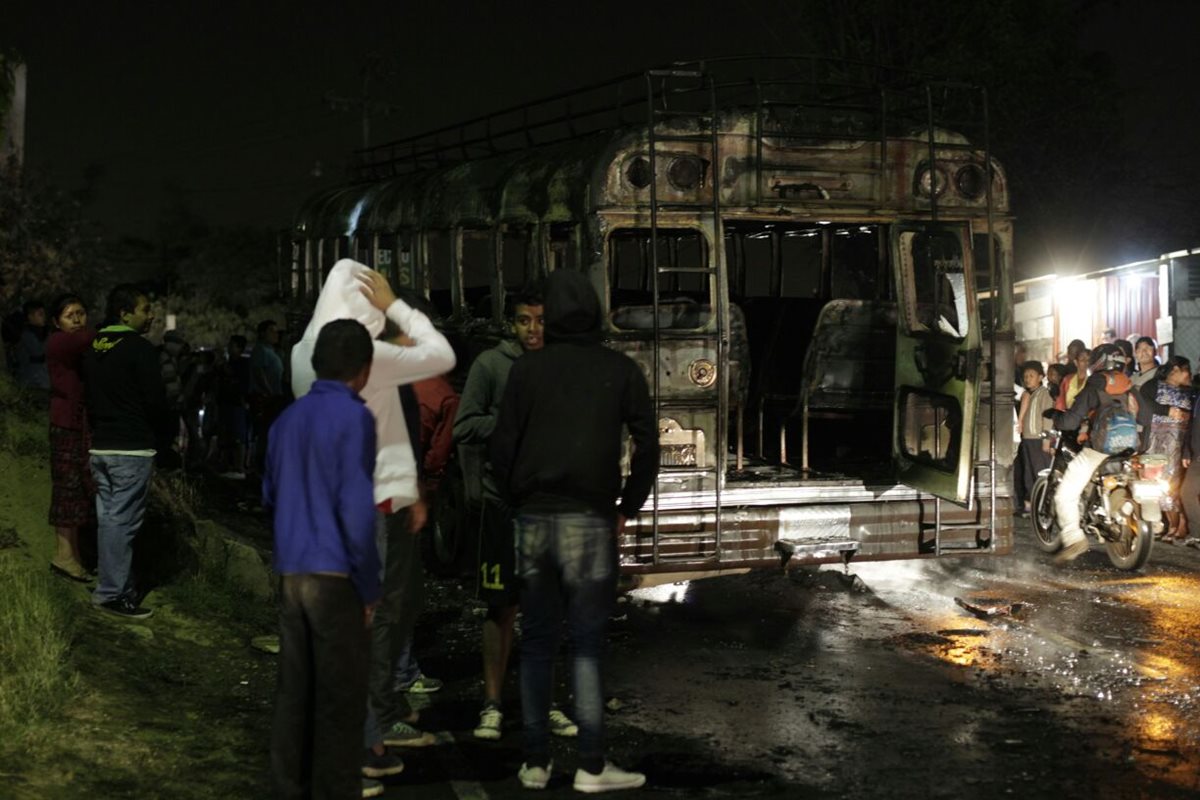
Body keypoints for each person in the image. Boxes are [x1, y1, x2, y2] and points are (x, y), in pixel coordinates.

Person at [491, 269, 658, 792]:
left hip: (535, 518)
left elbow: (500, 447)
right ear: (596, 312)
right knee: (586, 645)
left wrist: (519, 498)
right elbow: (648, 444)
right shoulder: (621, 370)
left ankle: (536, 762)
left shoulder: (526, 371)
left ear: (553, 318)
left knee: (537, 641)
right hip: (590, 517)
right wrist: (626, 506)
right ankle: (590, 765)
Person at [290, 259, 457, 770]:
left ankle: (374, 722)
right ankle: (369, 733)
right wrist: (399, 308)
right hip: (374, 505)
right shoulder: (369, 357)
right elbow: (441, 354)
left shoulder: (304, 350)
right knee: (375, 616)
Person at [265, 318, 383, 800]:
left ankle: (288, 790)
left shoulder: (286, 420)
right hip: (334, 576)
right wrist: (369, 586)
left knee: (294, 697)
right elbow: (356, 508)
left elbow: (270, 492)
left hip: (291, 574)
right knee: (340, 705)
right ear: (364, 369)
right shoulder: (355, 418)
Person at [452, 287, 577, 742]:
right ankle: (492, 705)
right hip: (503, 504)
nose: (533, 330)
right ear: (512, 324)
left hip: (550, 507)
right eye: (524, 321)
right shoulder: (490, 365)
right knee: (501, 606)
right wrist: (510, 421)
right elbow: (464, 426)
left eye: (540, 320)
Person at [81, 285, 175, 618]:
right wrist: (168, 437)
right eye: (145, 309)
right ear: (124, 313)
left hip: (101, 446)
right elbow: (155, 401)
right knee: (122, 522)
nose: (150, 316)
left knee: (109, 519)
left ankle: (113, 583)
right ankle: (112, 594)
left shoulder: (94, 346)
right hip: (131, 449)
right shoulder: (139, 348)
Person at [1045, 344, 1140, 562]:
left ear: (1098, 362)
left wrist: (1057, 419)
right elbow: (1141, 415)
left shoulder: (1095, 385)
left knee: (1065, 494)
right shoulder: (1128, 384)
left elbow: (1071, 419)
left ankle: (1074, 538)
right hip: (1129, 447)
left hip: (1099, 449)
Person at [45, 293, 95, 581]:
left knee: (75, 490)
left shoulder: (76, 345)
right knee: (67, 489)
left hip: (76, 426)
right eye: (70, 315)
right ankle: (63, 555)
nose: (77, 319)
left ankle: (72, 556)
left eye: (81, 313)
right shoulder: (60, 341)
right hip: (65, 426)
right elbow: (87, 339)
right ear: (56, 322)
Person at [1140, 356, 1193, 541]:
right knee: (1156, 485)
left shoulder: (1191, 392)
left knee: (1176, 486)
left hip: (1179, 446)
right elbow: (1143, 408)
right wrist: (1166, 411)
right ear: (1175, 369)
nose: (1190, 375)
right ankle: (1168, 524)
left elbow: (1193, 421)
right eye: (1187, 370)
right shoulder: (1151, 387)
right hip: (1154, 444)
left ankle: (1180, 525)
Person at [1014, 361, 1053, 516]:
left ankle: (1044, 506)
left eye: (1031, 375)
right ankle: (1031, 506)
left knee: (1040, 472)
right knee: (1028, 473)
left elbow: (1048, 418)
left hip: (1038, 440)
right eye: (1025, 376)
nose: (1028, 379)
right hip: (1028, 439)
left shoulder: (1044, 394)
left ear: (1040, 377)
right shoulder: (1029, 395)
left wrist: (1046, 439)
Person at [249, 319, 286, 473]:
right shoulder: (261, 350)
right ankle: (260, 467)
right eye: (271, 330)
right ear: (263, 333)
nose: (275, 334)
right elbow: (259, 372)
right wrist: (269, 391)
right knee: (265, 432)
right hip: (266, 398)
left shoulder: (272, 351)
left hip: (274, 397)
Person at [215, 334, 251, 478]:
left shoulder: (242, 364)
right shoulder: (228, 363)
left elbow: (240, 383)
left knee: (238, 435)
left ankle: (238, 466)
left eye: (232, 345)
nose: (229, 348)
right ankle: (226, 464)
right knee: (225, 435)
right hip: (225, 402)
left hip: (236, 403)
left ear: (240, 348)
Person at [14, 299, 50, 390]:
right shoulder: (27, 335)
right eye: (40, 314)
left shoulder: (39, 332)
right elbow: (38, 352)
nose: (43, 317)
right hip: (32, 383)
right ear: (30, 316)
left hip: (42, 381)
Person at [1059, 347, 1091, 411]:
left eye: (1089, 360)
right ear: (1076, 362)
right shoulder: (1067, 379)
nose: (1086, 362)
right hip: (1069, 417)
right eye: (1082, 360)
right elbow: (1061, 402)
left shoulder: (1095, 379)